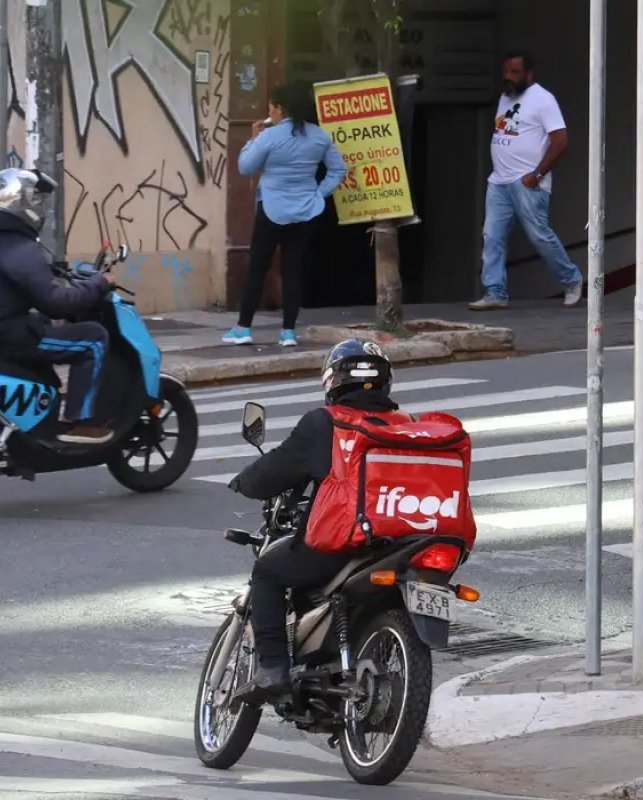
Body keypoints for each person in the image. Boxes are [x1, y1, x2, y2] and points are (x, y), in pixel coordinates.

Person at [228, 339, 396, 702]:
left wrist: (244, 482)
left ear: (333, 382)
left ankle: (272, 669)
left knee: (268, 570)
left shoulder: (324, 423)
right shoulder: (405, 426)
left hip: (345, 541)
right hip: (398, 541)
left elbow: (276, 469)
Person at [224, 81, 347, 348]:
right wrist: (318, 194)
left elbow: (246, 167)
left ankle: (243, 328)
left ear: (280, 109)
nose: (270, 112)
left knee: (258, 268)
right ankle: (288, 332)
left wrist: (253, 139)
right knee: (292, 270)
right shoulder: (319, 136)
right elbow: (339, 170)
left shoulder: (269, 136)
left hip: (271, 209)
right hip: (305, 211)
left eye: (272, 107)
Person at [0, 168, 116, 445]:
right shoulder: (20, 247)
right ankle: (83, 422)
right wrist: (99, 284)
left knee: (41, 324)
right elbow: (54, 303)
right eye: (37, 201)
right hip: (12, 337)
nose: (40, 208)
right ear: (21, 204)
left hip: (7, 333)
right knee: (93, 339)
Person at [468, 51, 583, 311]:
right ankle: (495, 292)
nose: (508, 77)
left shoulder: (543, 99)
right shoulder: (504, 98)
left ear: (529, 74)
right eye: (505, 72)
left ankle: (572, 280)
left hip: (527, 182)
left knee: (539, 236)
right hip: (499, 182)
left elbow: (560, 140)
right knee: (492, 236)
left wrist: (537, 174)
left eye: (515, 72)